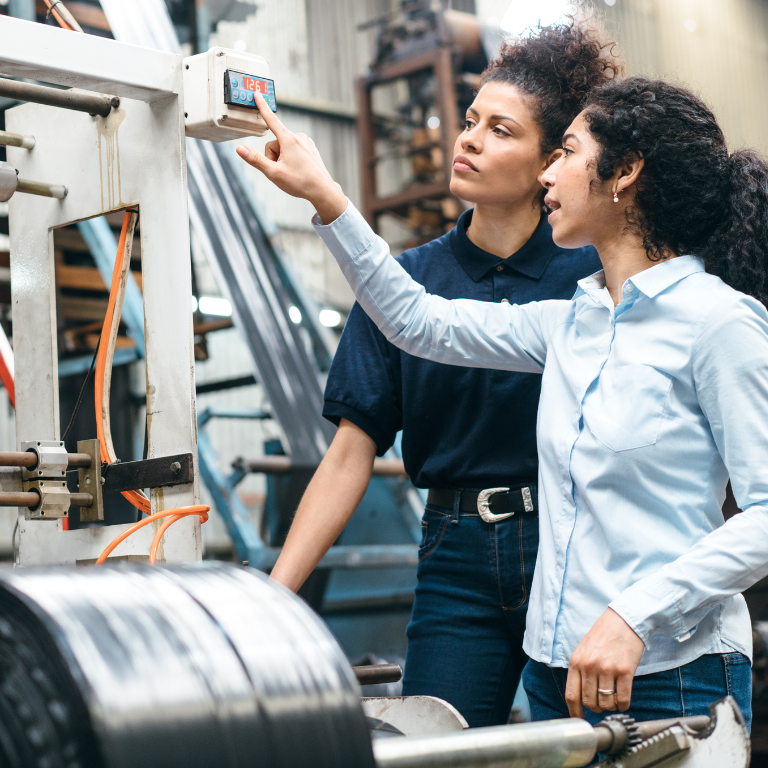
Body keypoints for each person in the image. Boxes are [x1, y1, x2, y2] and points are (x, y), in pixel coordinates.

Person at [236, 74, 768, 733]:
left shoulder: (718, 324)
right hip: (562, 669)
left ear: (624, 173)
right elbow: (415, 320)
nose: (552, 173)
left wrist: (637, 614)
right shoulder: (574, 322)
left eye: (567, 152)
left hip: (670, 668)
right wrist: (325, 196)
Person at [265, 19, 617, 727]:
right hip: (457, 557)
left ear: (552, 160)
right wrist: (274, 596)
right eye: (469, 121)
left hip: (579, 544)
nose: (468, 140)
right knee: (434, 744)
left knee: (591, 745)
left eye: (500, 130)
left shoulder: (593, 276)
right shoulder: (401, 284)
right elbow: (347, 456)